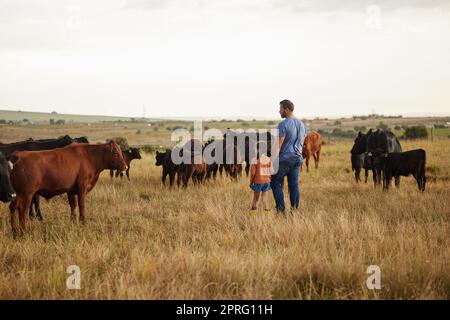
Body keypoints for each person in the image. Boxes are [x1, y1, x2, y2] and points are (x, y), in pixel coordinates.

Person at [270, 99, 306, 213]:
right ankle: (294, 210)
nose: (279, 111)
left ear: (286, 109)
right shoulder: (302, 124)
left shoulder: (283, 124)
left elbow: (278, 145)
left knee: (275, 181)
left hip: (285, 159)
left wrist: (272, 162)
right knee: (294, 185)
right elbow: (302, 142)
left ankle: (280, 210)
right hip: (297, 158)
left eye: (280, 109)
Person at [249, 141, 272, 211]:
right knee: (265, 198)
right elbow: (271, 171)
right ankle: (266, 210)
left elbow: (253, 173)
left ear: (257, 149)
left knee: (255, 198)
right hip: (267, 181)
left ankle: (253, 208)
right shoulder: (268, 159)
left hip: (258, 181)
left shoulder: (254, 160)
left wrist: (251, 182)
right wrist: (269, 178)